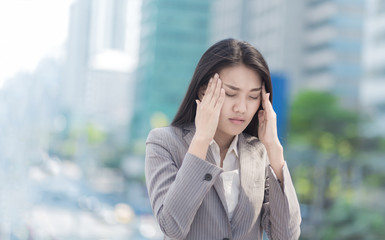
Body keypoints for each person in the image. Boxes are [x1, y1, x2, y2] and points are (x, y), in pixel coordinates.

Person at [145, 38, 301, 240]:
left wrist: (274, 148)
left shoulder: (259, 152)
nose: (242, 108)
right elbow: (172, 226)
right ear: (203, 90)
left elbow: (286, 236)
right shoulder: (164, 142)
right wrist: (202, 138)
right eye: (230, 93)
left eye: (253, 97)